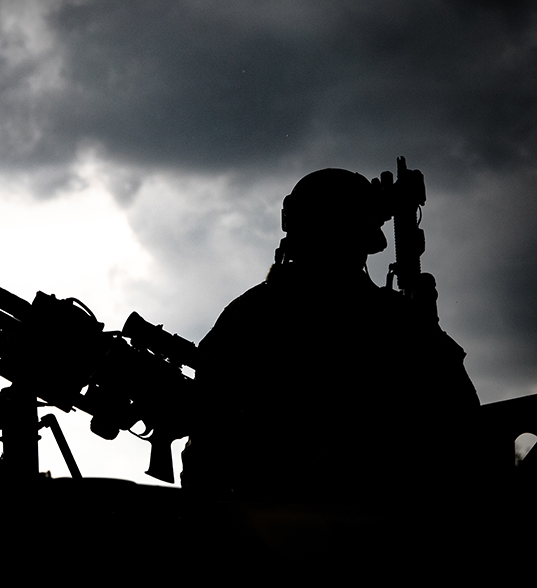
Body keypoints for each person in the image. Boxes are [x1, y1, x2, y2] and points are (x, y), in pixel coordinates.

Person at [181, 168, 479, 506]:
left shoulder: (248, 314)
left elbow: (204, 443)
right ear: (362, 238)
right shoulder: (397, 320)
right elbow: (463, 425)